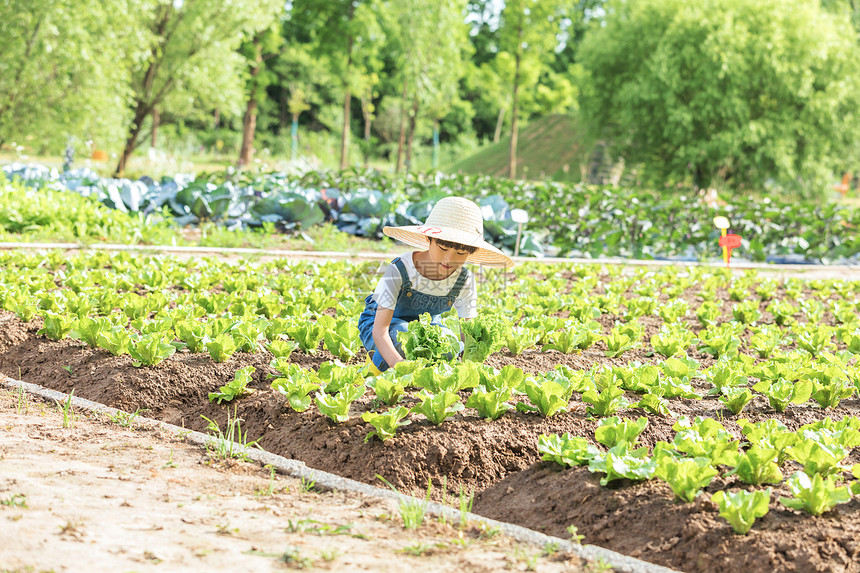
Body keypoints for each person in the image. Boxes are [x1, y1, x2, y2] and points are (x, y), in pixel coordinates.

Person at [358, 196, 514, 374]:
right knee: (402, 335)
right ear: (428, 238)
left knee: (449, 343)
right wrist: (401, 367)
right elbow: (380, 330)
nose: (449, 259)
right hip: (381, 325)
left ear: (471, 252)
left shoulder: (464, 280)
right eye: (443, 249)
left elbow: (467, 331)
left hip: (427, 327)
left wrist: (466, 364)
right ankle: (377, 361)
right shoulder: (399, 269)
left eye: (461, 253)